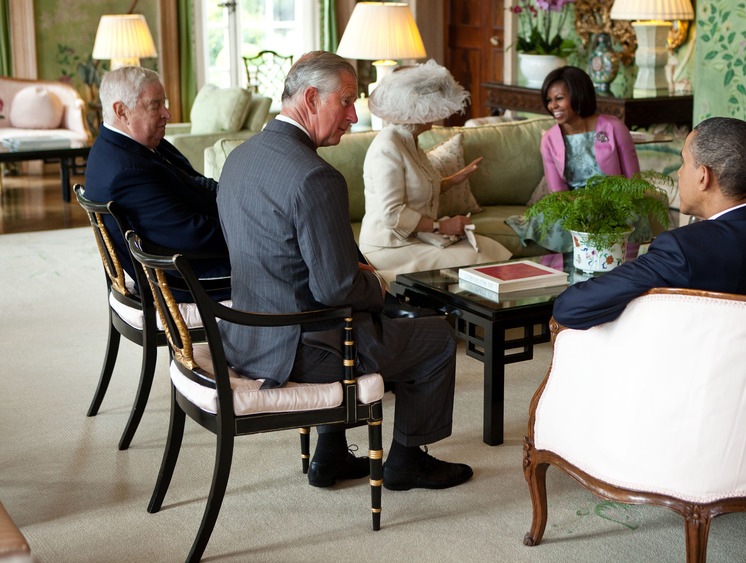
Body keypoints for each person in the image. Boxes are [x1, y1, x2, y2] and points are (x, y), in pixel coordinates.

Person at [217, 51, 472, 492]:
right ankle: (407, 463)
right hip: (303, 350)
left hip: (247, 338)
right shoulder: (316, 176)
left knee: (366, 317)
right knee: (435, 338)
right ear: (312, 98)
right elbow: (336, 287)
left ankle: (331, 455)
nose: (354, 116)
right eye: (347, 101)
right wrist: (377, 284)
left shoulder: (239, 158)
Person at [553, 117, 746, 330]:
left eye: (683, 162)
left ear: (703, 177)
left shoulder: (682, 248)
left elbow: (571, 308)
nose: (680, 172)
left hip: (702, 392)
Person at [358, 60, 512, 282]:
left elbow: (419, 188)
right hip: (388, 247)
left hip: (414, 239)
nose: (438, 111)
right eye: (433, 105)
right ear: (416, 108)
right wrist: (442, 226)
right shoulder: (387, 147)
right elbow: (392, 214)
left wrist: (456, 179)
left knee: (490, 249)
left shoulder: (410, 140)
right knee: (477, 261)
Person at [84, 66, 229, 284]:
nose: (167, 114)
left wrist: (240, 200)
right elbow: (191, 235)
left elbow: (194, 182)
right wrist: (252, 228)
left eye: (165, 103)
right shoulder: (126, 171)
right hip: (189, 276)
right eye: (155, 105)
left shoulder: (135, 144)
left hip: (196, 253)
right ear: (121, 111)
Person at [507, 65, 646, 253]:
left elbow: (633, 182)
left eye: (559, 99)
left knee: (625, 215)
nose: (552, 106)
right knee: (552, 217)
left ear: (579, 95)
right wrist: (582, 203)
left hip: (615, 202)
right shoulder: (549, 140)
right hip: (575, 204)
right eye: (549, 100)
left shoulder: (614, 127)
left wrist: (610, 202)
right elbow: (558, 193)